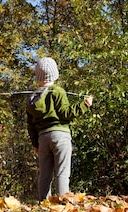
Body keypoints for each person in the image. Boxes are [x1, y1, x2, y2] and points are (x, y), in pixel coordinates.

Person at [26, 57, 93, 201]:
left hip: (42, 138)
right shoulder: (57, 91)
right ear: (55, 73)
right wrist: (84, 105)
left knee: (45, 175)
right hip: (60, 136)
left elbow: (30, 125)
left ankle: (43, 204)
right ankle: (63, 204)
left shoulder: (32, 98)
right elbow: (66, 113)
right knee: (61, 172)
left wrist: (35, 144)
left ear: (38, 76)